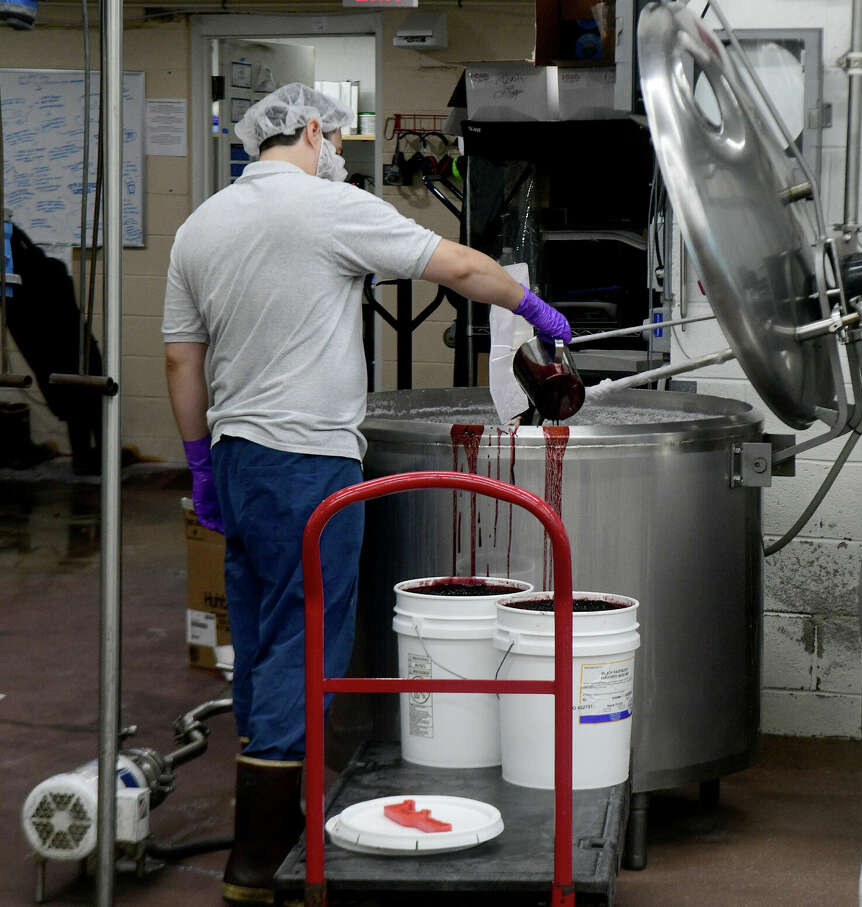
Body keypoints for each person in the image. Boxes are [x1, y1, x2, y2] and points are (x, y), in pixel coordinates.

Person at [161, 83, 568, 905]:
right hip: (309, 461)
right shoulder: (325, 208)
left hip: (239, 459)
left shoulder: (199, 225)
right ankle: (259, 857)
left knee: (264, 629)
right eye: (336, 136)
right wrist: (526, 303)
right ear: (311, 130)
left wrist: (200, 462)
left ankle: (274, 816)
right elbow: (453, 263)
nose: (339, 150)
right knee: (306, 638)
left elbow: (179, 359)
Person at [0, 143, 104, 473]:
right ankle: (88, 456)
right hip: (33, 292)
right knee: (77, 368)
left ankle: (89, 454)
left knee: (77, 368)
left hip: (32, 289)